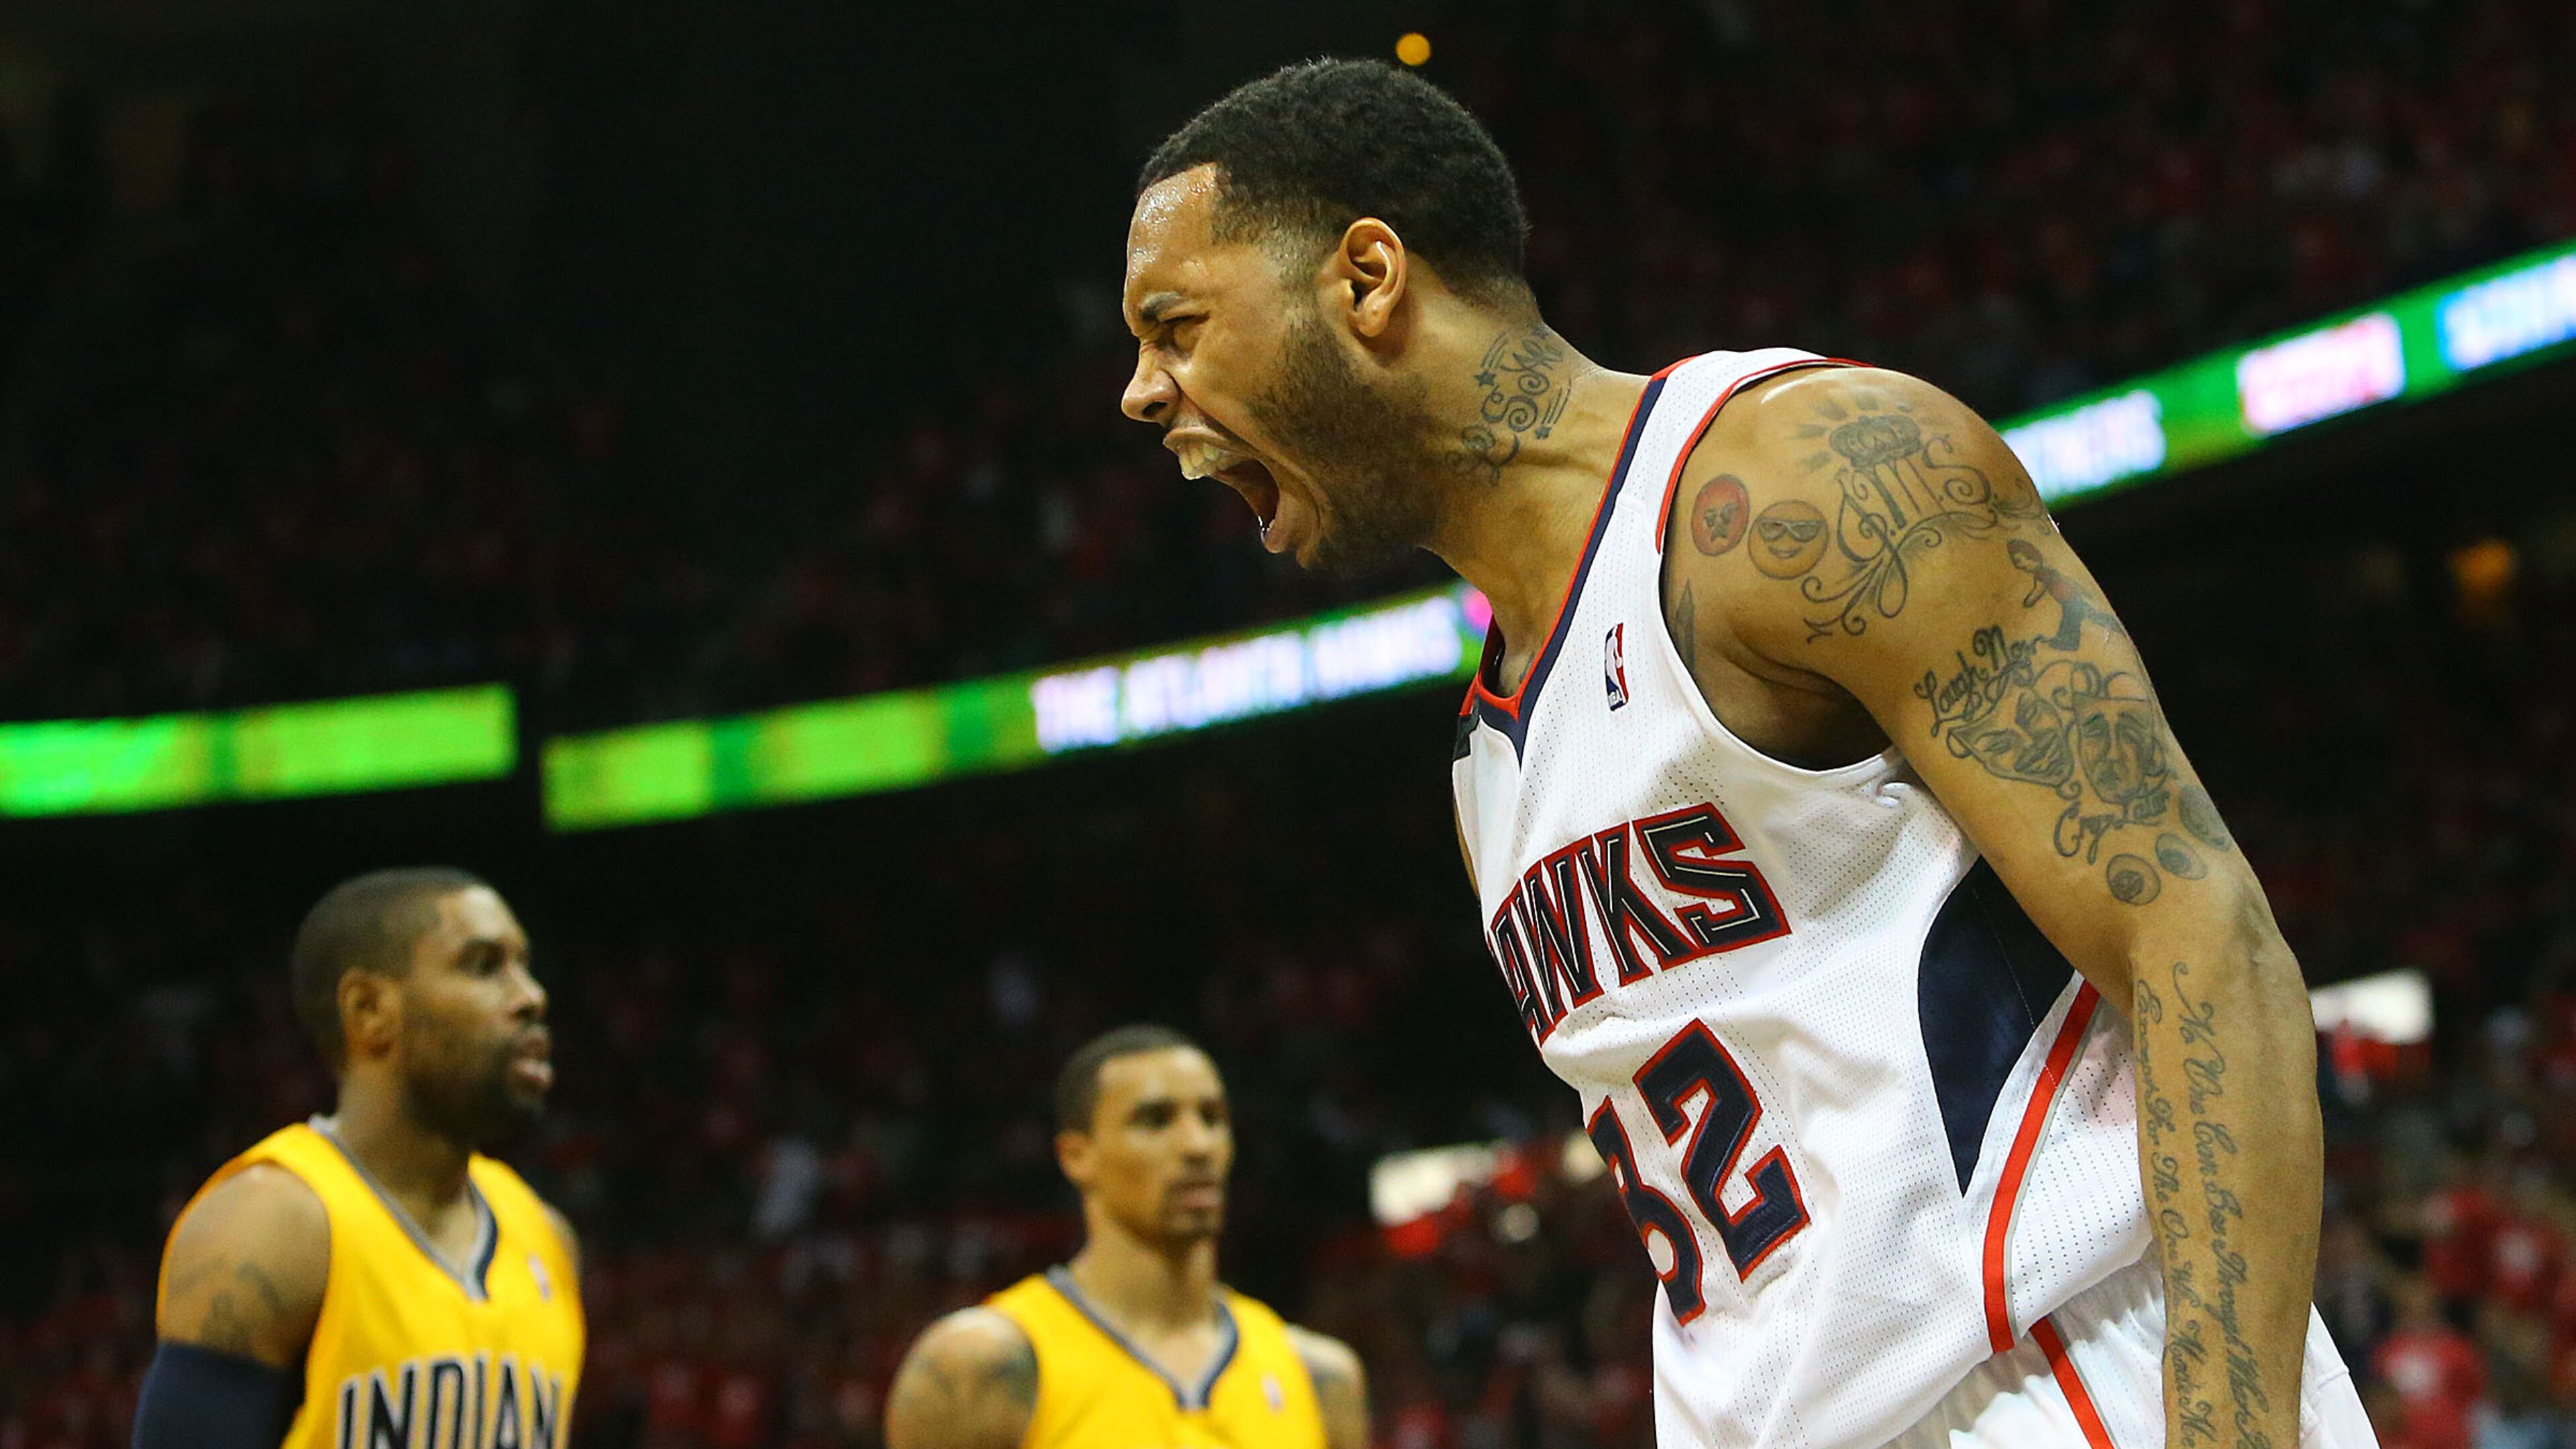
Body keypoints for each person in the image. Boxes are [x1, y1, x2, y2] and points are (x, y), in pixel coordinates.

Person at [1117, 58, 2369, 1449]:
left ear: (1367, 278)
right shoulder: (1488, 759)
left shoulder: (1800, 481)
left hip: (2062, 1385)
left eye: (1176, 327)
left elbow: (2201, 942)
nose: (1138, 392)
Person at [138, 868, 582, 1449]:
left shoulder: (546, 1237)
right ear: (370, 1009)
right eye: (483, 965)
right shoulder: (271, 1226)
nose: (530, 996)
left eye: (524, 965)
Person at [885, 1025, 1367, 1449]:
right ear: (1077, 1156)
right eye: (1155, 1121)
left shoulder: (1319, 1377)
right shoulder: (981, 1367)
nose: (1197, 1146)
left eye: (1212, 1118)